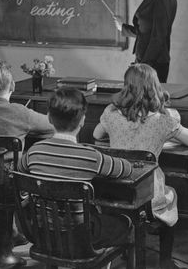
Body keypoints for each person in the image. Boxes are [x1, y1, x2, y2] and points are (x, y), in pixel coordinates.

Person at [93, 63, 188, 269]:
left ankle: (126, 249)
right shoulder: (163, 121)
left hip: (114, 194)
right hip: (148, 199)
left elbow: (96, 135)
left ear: (126, 87)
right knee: (171, 193)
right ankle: (165, 261)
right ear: (155, 88)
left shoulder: (111, 115)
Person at [0, 60, 55, 267]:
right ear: (12, 86)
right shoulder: (19, 112)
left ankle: (12, 233)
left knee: (2, 179)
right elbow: (52, 126)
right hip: (6, 186)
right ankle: (2, 254)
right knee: (13, 178)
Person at [19, 87, 134, 249]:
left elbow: (19, 171)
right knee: (125, 222)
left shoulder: (34, 151)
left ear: (49, 118)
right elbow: (126, 169)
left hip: (42, 235)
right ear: (82, 120)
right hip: (80, 239)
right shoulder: (91, 156)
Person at [113, 0, 177, 83]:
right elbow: (147, 30)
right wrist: (123, 27)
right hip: (147, 64)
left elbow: (158, 36)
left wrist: (142, 68)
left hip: (153, 66)